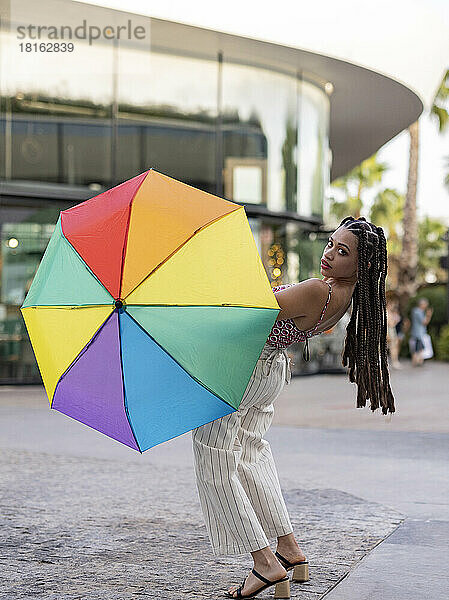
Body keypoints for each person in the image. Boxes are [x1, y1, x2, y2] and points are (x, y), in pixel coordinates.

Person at [191, 216, 396, 599]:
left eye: (342, 251)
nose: (329, 254)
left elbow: (248, 312)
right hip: (268, 368)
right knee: (250, 453)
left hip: (245, 368)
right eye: (331, 244)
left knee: (214, 454)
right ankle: (290, 550)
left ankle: (265, 563)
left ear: (364, 264)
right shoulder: (341, 295)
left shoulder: (319, 290)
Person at [409, 298, 433, 367]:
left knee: (418, 348)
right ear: (422, 304)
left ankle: (419, 361)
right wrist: (429, 315)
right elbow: (424, 322)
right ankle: (416, 362)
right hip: (418, 334)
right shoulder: (418, 311)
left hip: (418, 333)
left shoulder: (416, 311)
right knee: (418, 349)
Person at [386, 299, 402, 369]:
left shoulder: (391, 312)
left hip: (392, 330)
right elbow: (390, 323)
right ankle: (394, 362)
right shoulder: (386, 312)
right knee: (391, 347)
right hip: (389, 331)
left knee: (394, 347)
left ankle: (395, 361)